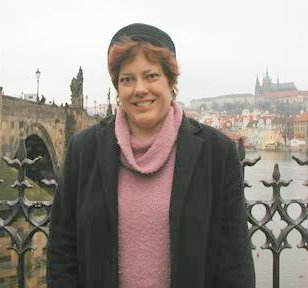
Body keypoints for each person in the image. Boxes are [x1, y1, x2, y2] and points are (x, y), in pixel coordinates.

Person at [47, 23, 255, 288]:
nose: (140, 89)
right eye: (127, 79)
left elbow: (234, 262)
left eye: (151, 76)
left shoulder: (217, 152)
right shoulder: (83, 149)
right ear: (118, 88)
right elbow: (62, 249)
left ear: (171, 82)